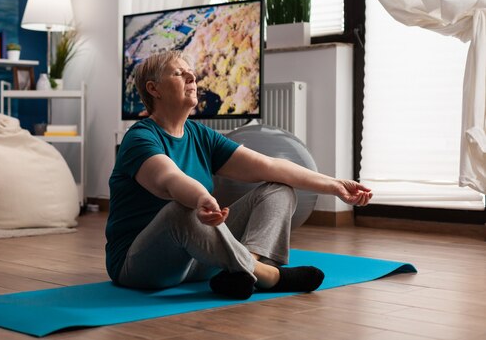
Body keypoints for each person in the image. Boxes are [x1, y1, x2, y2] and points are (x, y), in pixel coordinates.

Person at [106, 50, 372, 299]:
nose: (192, 77)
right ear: (154, 89)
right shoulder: (139, 138)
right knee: (180, 209)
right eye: (179, 73)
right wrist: (201, 198)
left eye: (191, 72)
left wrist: (335, 185)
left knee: (278, 189)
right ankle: (268, 276)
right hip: (143, 266)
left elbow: (270, 166)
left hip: (200, 259)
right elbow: (169, 180)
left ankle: (245, 270)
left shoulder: (200, 136)